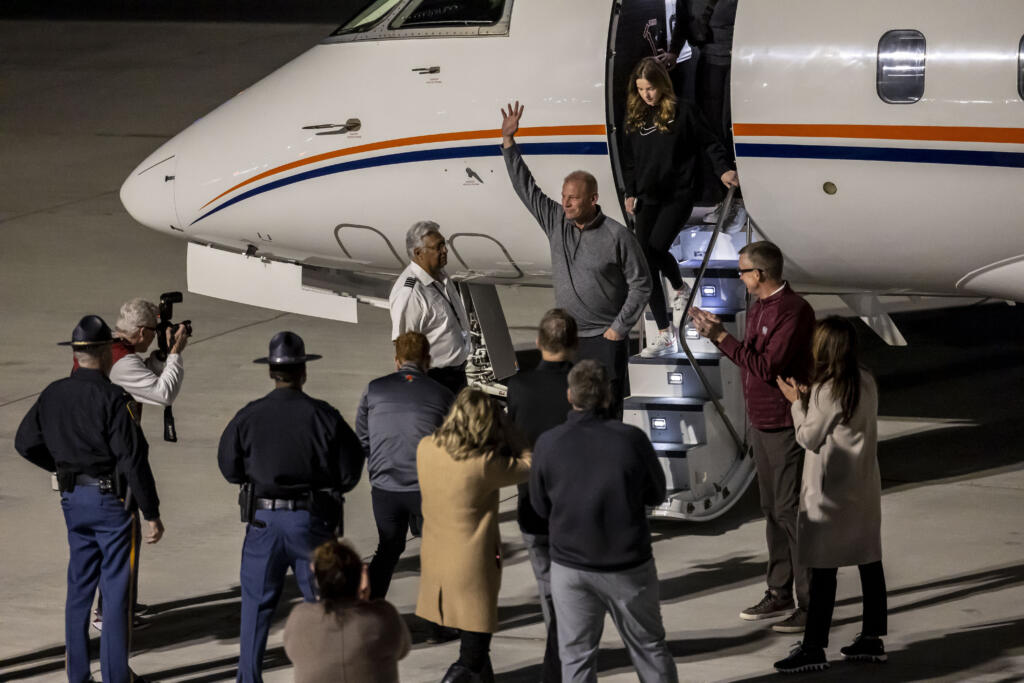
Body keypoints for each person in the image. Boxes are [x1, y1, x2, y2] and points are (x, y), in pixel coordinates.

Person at [15, 315, 164, 683]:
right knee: (115, 596)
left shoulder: (53, 393)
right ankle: (116, 677)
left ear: (78, 353)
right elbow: (132, 459)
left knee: (79, 589)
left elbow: (24, 442)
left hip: (72, 499)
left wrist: (62, 467)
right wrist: (151, 512)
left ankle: (77, 676)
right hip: (111, 504)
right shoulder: (114, 398)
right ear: (105, 353)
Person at [217, 331, 364, 683]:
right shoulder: (323, 416)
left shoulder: (249, 416)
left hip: (263, 522)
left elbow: (228, 466)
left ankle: (249, 678)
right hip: (310, 521)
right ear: (303, 372)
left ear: (271, 372)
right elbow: (350, 469)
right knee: (323, 605)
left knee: (255, 606)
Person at [689, 240, 815, 633]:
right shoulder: (760, 306)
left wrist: (720, 338)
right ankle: (779, 592)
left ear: (759, 274)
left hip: (781, 422)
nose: (738, 277)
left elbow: (766, 366)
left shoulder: (793, 311)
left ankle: (810, 603)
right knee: (770, 510)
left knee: (789, 513)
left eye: (742, 271)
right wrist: (721, 337)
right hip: (760, 421)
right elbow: (752, 357)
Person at [501, 102, 652, 418]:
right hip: (566, 341)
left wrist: (618, 329)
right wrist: (509, 144)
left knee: (606, 414)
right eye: (563, 195)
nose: (564, 202)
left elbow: (642, 284)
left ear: (593, 199)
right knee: (567, 413)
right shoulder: (556, 221)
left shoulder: (617, 236)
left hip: (604, 339)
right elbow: (527, 189)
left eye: (573, 197)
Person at [530, 360, 676, 683]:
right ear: (608, 397)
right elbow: (657, 493)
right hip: (627, 566)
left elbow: (539, 507)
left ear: (570, 396)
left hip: (570, 568)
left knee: (576, 659)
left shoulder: (549, 443)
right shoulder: (631, 440)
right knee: (650, 649)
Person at [773, 316, 887, 673]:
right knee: (869, 562)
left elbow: (808, 437)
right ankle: (872, 637)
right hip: (863, 487)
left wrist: (796, 402)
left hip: (829, 494)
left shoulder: (827, 389)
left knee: (823, 572)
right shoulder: (865, 380)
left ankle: (814, 647)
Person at [621, 57, 738, 358]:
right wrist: (630, 192)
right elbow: (631, 161)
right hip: (647, 197)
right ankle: (664, 333)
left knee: (656, 248)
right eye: (641, 89)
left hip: (678, 195)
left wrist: (723, 170)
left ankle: (679, 288)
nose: (647, 94)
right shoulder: (635, 116)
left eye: (651, 88)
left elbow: (709, 143)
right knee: (644, 263)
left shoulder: (683, 111)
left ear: (662, 84)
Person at [415, 388, 532, 683]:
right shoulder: (484, 464)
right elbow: (529, 464)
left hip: (436, 557)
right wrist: (508, 427)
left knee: (477, 646)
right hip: (472, 565)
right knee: (473, 650)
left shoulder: (426, 447)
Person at [93, 297, 189, 631]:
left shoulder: (109, 351)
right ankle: (110, 613)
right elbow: (163, 393)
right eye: (154, 334)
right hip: (115, 463)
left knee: (115, 539)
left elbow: (142, 377)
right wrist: (175, 353)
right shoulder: (122, 363)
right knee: (123, 537)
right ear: (144, 331)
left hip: (97, 459)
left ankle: (121, 603)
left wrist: (160, 356)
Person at [505, 308, 578, 682]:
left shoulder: (517, 388)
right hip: (575, 507)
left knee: (548, 586)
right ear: (575, 344)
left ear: (538, 343)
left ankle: (560, 657)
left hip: (533, 503)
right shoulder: (584, 389)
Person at [355, 331, 454, 600]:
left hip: (385, 487)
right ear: (428, 361)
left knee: (388, 548)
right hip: (427, 489)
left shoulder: (374, 389)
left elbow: (363, 438)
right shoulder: (443, 395)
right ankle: (440, 624)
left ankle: (372, 612)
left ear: (397, 361)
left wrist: (379, 467)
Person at [283, 538, 411, 683]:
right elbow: (403, 649)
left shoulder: (300, 619)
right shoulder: (383, 616)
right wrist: (365, 597)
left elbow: (291, 651)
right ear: (360, 575)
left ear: (317, 578)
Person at [389, 220, 472, 396]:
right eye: (438, 247)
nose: (445, 250)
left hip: (456, 376)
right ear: (418, 253)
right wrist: (413, 393)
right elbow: (404, 348)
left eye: (444, 244)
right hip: (433, 380)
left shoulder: (440, 275)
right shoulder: (411, 294)